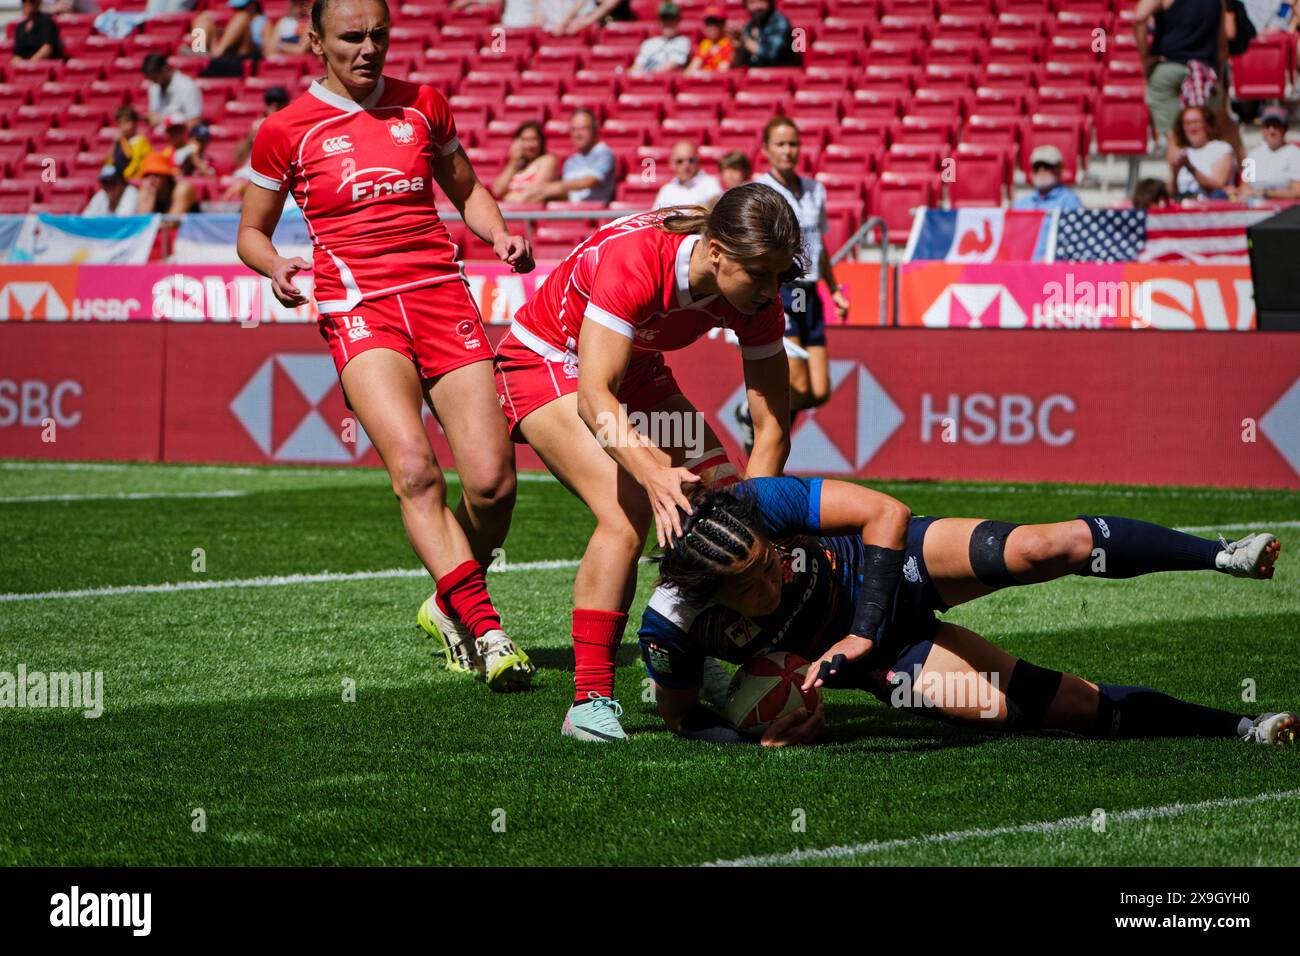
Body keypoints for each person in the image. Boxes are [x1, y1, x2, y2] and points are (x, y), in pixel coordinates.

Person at [238, 0, 537, 692]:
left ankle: (447, 597)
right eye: (352, 37)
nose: (369, 48)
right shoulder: (283, 131)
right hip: (360, 310)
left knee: (493, 485)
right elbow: (250, 233)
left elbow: (467, 189)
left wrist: (498, 234)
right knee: (415, 471)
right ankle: (486, 629)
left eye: (379, 35)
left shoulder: (425, 105)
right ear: (315, 41)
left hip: (442, 297)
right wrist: (277, 265)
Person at [639, 477, 1292, 747]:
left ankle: (1223, 556)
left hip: (891, 568)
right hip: (881, 658)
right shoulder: (671, 626)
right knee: (1018, 709)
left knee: (1046, 547)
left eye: (771, 559)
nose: (773, 575)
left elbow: (886, 514)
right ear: (707, 594)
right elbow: (683, 718)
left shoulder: (755, 503)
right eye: (749, 583)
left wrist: (861, 631)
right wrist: (753, 724)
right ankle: (1242, 725)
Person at [492, 185, 802, 741]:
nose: (771, 290)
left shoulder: (759, 299)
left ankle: (689, 650)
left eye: (779, 276)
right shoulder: (637, 259)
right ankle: (588, 702)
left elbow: (773, 425)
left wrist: (750, 516)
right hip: (548, 362)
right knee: (631, 509)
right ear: (715, 253)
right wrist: (652, 473)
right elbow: (595, 397)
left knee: (719, 506)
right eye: (759, 274)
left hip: (635, 369)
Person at [747, 116, 847, 447]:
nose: (788, 151)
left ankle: (757, 422)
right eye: (781, 144)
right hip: (783, 290)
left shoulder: (816, 189)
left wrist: (833, 290)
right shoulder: (761, 192)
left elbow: (819, 248)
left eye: (793, 144)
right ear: (766, 149)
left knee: (819, 391)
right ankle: (762, 432)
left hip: (812, 293)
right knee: (799, 386)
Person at [1135, 0, 1245, 159]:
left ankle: (1175, 183)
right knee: (1230, 132)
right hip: (1204, 73)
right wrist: (1218, 78)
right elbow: (1222, 46)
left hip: (1167, 69)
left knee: (1174, 138)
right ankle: (1249, 178)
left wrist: (1145, 58)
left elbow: (1139, 17)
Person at [520, 109, 616, 204]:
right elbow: (569, 194)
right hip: (570, 212)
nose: (578, 134)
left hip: (595, 214)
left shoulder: (603, 153)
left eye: (583, 129)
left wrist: (551, 188)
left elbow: (589, 182)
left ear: (594, 129)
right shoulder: (571, 161)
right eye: (574, 129)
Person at [222, 86, 291, 202]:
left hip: (272, 176)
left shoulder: (290, 126)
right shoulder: (257, 126)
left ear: (286, 104)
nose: (274, 106)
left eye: (278, 102)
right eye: (270, 102)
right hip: (250, 173)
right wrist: (250, 137)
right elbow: (237, 159)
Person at [1168, 104, 1237, 198]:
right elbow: (1171, 193)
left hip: (1211, 205)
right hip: (1184, 205)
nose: (1192, 128)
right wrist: (1175, 173)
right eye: (1187, 123)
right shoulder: (1183, 152)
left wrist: (1190, 167)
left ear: (1207, 124)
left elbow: (1218, 186)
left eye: (1196, 122)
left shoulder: (1221, 149)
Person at [1237, 106, 1300, 200]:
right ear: (1262, 129)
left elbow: (1297, 192)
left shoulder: (1295, 153)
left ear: (1285, 129)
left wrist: (1265, 193)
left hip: (1284, 210)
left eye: (1276, 126)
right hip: (1254, 209)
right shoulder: (1253, 155)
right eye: (1267, 126)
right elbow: (1244, 188)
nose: (1271, 130)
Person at [491, 120, 559, 203]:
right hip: (511, 212)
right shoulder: (516, 165)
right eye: (524, 140)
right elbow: (497, 191)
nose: (529, 145)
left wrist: (509, 198)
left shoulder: (547, 160)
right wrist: (513, 162)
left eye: (533, 139)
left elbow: (534, 193)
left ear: (541, 141)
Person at [652, 140, 722, 210]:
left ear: (698, 160)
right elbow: (655, 216)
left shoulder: (710, 183)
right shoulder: (666, 190)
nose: (686, 165)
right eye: (680, 161)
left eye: (691, 160)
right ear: (671, 163)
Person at [1011, 145, 1084, 211]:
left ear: (1059, 169)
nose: (1041, 171)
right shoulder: (1022, 203)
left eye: (1047, 166)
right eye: (1037, 167)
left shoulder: (1070, 201)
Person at [730, 0, 801, 68]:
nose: (757, 6)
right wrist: (738, 48)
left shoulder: (779, 22)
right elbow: (739, 63)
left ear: (770, 2)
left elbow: (770, 54)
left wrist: (744, 40)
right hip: (754, 76)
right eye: (752, 2)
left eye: (762, 1)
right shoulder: (749, 26)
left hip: (781, 75)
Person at [142, 53, 204, 128]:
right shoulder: (154, 87)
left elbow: (195, 121)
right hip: (159, 136)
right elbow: (154, 114)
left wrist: (164, 121)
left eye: (155, 77)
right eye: (151, 79)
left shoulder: (187, 86)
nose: (154, 82)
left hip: (180, 137)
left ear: (164, 69)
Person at [631, 3, 691, 73]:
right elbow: (636, 67)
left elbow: (671, 66)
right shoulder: (648, 43)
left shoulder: (682, 42)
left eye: (672, 19)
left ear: (678, 21)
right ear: (659, 21)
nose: (668, 23)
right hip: (644, 81)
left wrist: (647, 76)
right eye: (664, 19)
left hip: (662, 81)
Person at [135, 152, 201, 214]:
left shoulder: (182, 189)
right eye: (147, 175)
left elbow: (172, 223)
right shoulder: (146, 190)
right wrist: (150, 198)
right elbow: (143, 223)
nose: (151, 180)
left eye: (157, 175)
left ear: (167, 177)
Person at [104, 105, 153, 180]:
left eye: (127, 121)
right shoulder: (119, 142)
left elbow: (136, 164)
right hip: (120, 181)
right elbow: (109, 162)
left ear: (135, 123)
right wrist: (115, 144)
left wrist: (124, 177)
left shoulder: (140, 141)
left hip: (135, 179)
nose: (123, 126)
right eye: (119, 123)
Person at [686, 6, 733, 73]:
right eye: (708, 23)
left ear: (723, 25)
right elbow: (690, 71)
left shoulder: (729, 44)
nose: (710, 28)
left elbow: (721, 72)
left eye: (715, 23)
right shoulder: (705, 44)